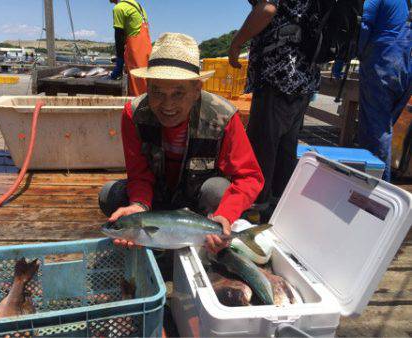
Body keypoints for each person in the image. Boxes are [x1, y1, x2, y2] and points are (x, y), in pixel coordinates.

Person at [99, 33, 265, 253]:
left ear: (197, 90)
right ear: (147, 85)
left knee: (218, 191)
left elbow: (249, 176)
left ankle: (203, 238)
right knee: (109, 194)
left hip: (198, 206)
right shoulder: (134, 114)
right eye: (157, 91)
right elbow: (138, 173)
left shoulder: (223, 117)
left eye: (178, 93)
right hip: (156, 201)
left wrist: (225, 214)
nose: (167, 104)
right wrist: (138, 205)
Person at [228, 0, 319, 207]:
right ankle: (278, 204)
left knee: (263, 147)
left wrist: (237, 42)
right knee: (286, 147)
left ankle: (255, 207)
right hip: (304, 75)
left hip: (278, 73)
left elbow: (267, 8)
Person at [358, 0, 411, 181]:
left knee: (376, 129)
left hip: (382, 61)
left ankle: (377, 185)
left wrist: (360, 51)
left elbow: (365, 24)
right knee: (384, 125)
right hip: (404, 64)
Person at [109, 0, 152, 96]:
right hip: (147, 51)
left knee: (136, 88)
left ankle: (137, 109)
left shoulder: (119, 8)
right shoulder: (137, 5)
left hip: (135, 53)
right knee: (146, 83)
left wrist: (119, 63)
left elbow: (119, 37)